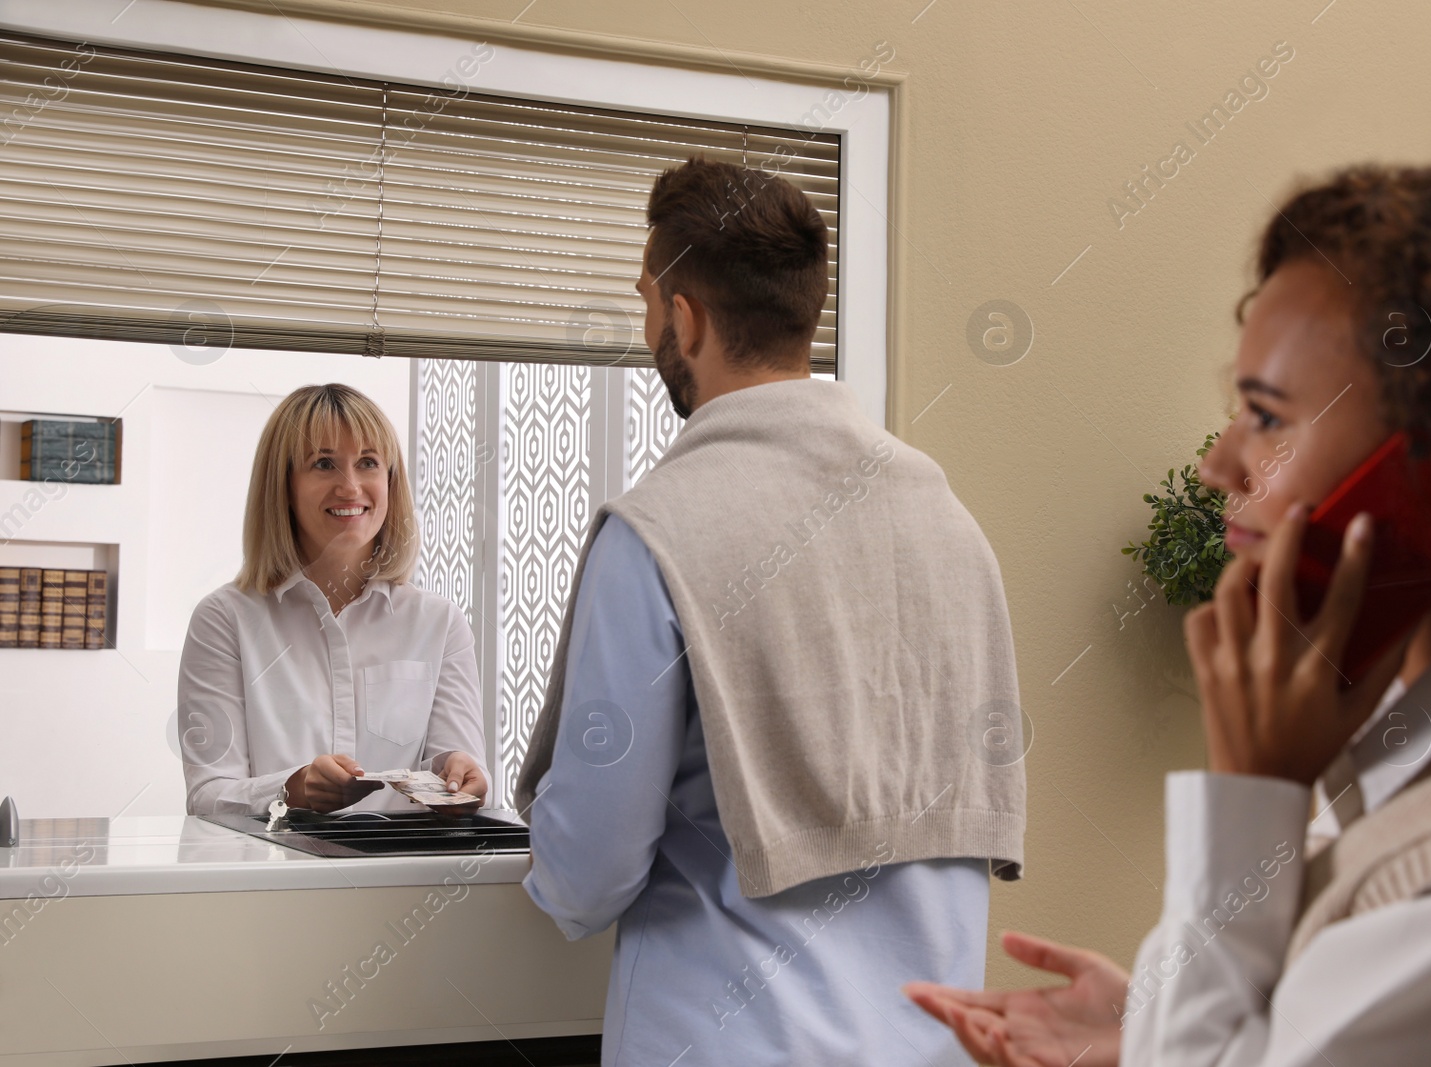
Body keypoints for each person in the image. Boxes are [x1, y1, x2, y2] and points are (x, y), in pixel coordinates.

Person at [906, 162, 1431, 1066]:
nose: (1220, 464)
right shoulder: (1412, 746)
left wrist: (1245, 802)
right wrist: (1158, 1026)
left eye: (1268, 417)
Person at [512, 156, 1027, 1066]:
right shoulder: (950, 523)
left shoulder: (658, 534)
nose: (646, 326)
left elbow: (587, 874)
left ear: (686, 316)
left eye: (646, 299)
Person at [178, 383, 488, 815]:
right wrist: (292, 789)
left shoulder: (440, 623)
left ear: (391, 482)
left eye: (368, 463)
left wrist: (462, 778)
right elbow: (208, 794)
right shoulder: (224, 619)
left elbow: (458, 765)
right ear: (282, 485)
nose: (350, 486)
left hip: (406, 879)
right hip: (274, 876)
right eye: (323, 464)